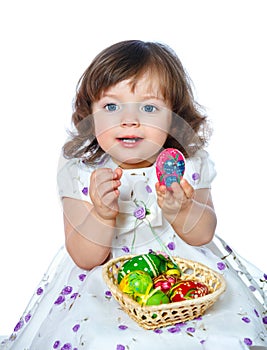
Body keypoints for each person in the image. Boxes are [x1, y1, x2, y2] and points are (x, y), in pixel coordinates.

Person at [1, 40, 266, 350]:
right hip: (106, 285)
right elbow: (85, 257)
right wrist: (102, 214)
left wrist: (183, 210)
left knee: (223, 332)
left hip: (184, 276)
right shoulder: (81, 172)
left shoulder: (189, 166)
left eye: (149, 107)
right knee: (99, 336)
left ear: (173, 117)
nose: (129, 120)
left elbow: (204, 234)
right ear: (91, 114)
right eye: (111, 106)